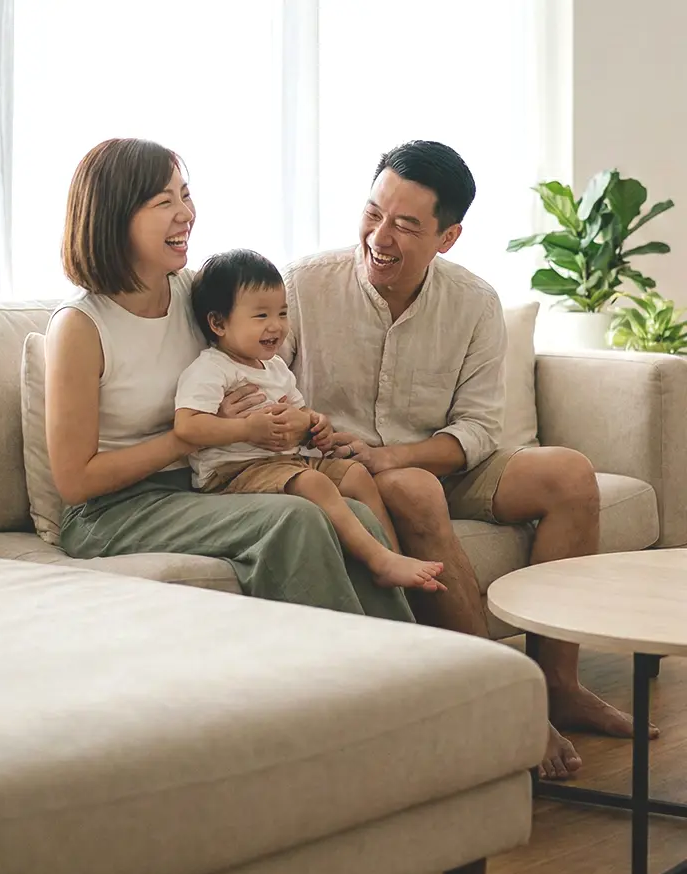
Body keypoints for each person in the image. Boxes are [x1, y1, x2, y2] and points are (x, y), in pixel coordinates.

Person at [217, 139, 659, 781]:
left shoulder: (473, 301)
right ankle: (502, 699)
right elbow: (260, 377)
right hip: (349, 469)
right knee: (414, 490)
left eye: (405, 225)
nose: (379, 238)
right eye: (373, 213)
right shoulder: (303, 286)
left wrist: (395, 453)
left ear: (447, 237)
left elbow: (478, 427)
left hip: (440, 457)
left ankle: (558, 684)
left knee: (568, 474)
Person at [44, 137, 415, 624]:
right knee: (295, 518)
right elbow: (75, 482)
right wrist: (192, 436)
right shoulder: (80, 326)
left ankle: (409, 657)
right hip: (110, 512)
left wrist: (295, 422)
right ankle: (346, 665)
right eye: (165, 202)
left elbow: (250, 367)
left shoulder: (195, 294)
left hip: (199, 485)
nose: (186, 214)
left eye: (186, 195)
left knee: (355, 514)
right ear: (116, 217)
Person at [175, 248, 445, 593]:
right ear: (218, 323)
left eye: (282, 313)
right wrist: (246, 429)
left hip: (284, 462)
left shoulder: (274, 366)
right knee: (314, 484)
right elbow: (188, 426)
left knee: (356, 474)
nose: (276, 325)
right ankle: (380, 560)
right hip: (231, 472)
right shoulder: (211, 369)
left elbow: (300, 413)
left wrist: (314, 424)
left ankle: (391, 558)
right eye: (261, 315)